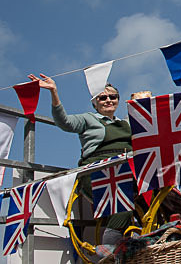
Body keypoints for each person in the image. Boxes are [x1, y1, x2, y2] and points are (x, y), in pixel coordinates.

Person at [29, 74, 132, 241]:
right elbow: (64, 122)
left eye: (112, 97)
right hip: (98, 171)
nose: (108, 100)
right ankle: (110, 246)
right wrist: (54, 92)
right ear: (94, 103)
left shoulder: (127, 123)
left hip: (127, 168)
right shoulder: (88, 118)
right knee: (122, 202)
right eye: (102, 97)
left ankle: (178, 227)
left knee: (161, 187)